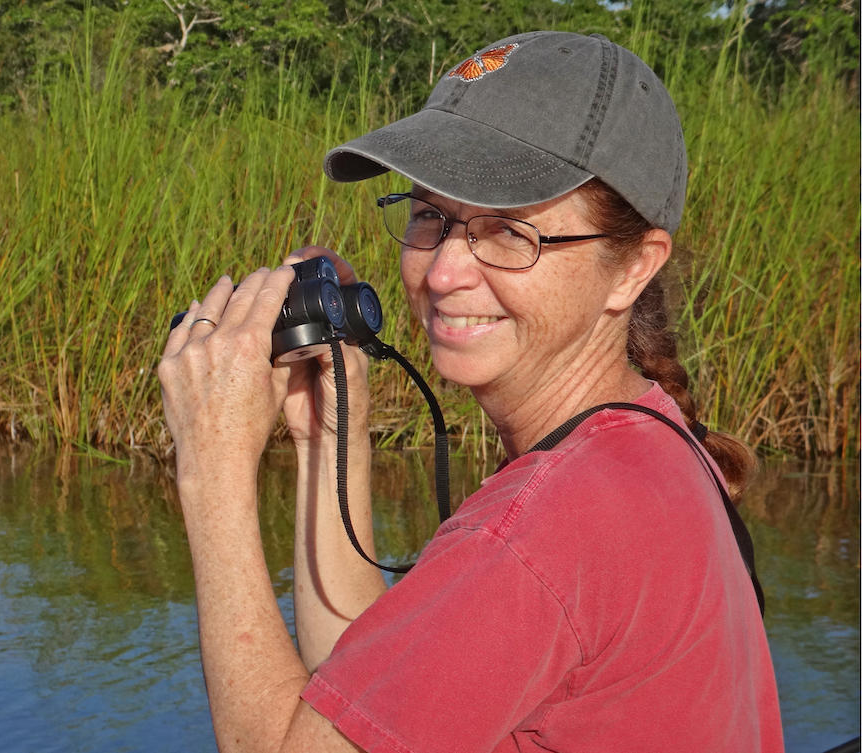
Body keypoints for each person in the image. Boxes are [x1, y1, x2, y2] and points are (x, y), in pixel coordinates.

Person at [157, 31, 784, 753]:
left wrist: (212, 469)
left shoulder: (546, 523)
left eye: (510, 231)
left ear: (633, 268)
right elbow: (361, 703)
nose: (444, 271)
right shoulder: (648, 443)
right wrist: (333, 432)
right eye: (431, 216)